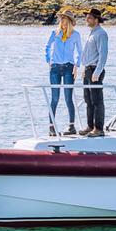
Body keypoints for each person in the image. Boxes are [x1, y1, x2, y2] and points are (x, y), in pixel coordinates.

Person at [44, 8, 82, 136]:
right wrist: (49, 60)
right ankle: (51, 127)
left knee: (68, 98)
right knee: (54, 98)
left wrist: (76, 65)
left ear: (70, 21)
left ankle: (71, 126)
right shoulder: (55, 33)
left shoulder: (76, 35)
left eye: (64, 18)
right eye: (61, 18)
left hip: (68, 68)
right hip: (54, 68)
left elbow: (79, 51)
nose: (62, 20)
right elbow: (47, 46)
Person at [81, 8, 109, 137]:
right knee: (88, 99)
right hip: (88, 69)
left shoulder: (101, 34)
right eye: (87, 17)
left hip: (95, 70)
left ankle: (98, 128)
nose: (87, 19)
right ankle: (90, 126)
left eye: (89, 17)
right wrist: (84, 69)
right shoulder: (92, 33)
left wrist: (97, 72)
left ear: (96, 20)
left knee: (97, 100)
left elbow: (103, 55)